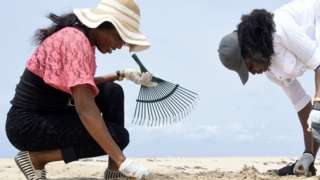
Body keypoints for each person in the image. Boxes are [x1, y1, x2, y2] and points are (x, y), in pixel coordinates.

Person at [5, 0, 155, 179]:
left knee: (112, 91)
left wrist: (122, 74)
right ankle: (38, 158)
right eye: (119, 38)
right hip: (28, 125)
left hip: (52, 111)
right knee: (118, 138)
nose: (119, 46)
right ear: (103, 25)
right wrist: (123, 160)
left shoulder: (82, 39)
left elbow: (81, 84)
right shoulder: (74, 41)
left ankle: (114, 173)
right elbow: (86, 109)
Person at [218, 0, 320, 177]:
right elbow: (302, 104)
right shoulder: (272, 71)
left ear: (251, 49)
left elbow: (318, 63)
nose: (253, 73)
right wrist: (308, 154)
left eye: (249, 67)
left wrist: (318, 103)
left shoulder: (281, 27)